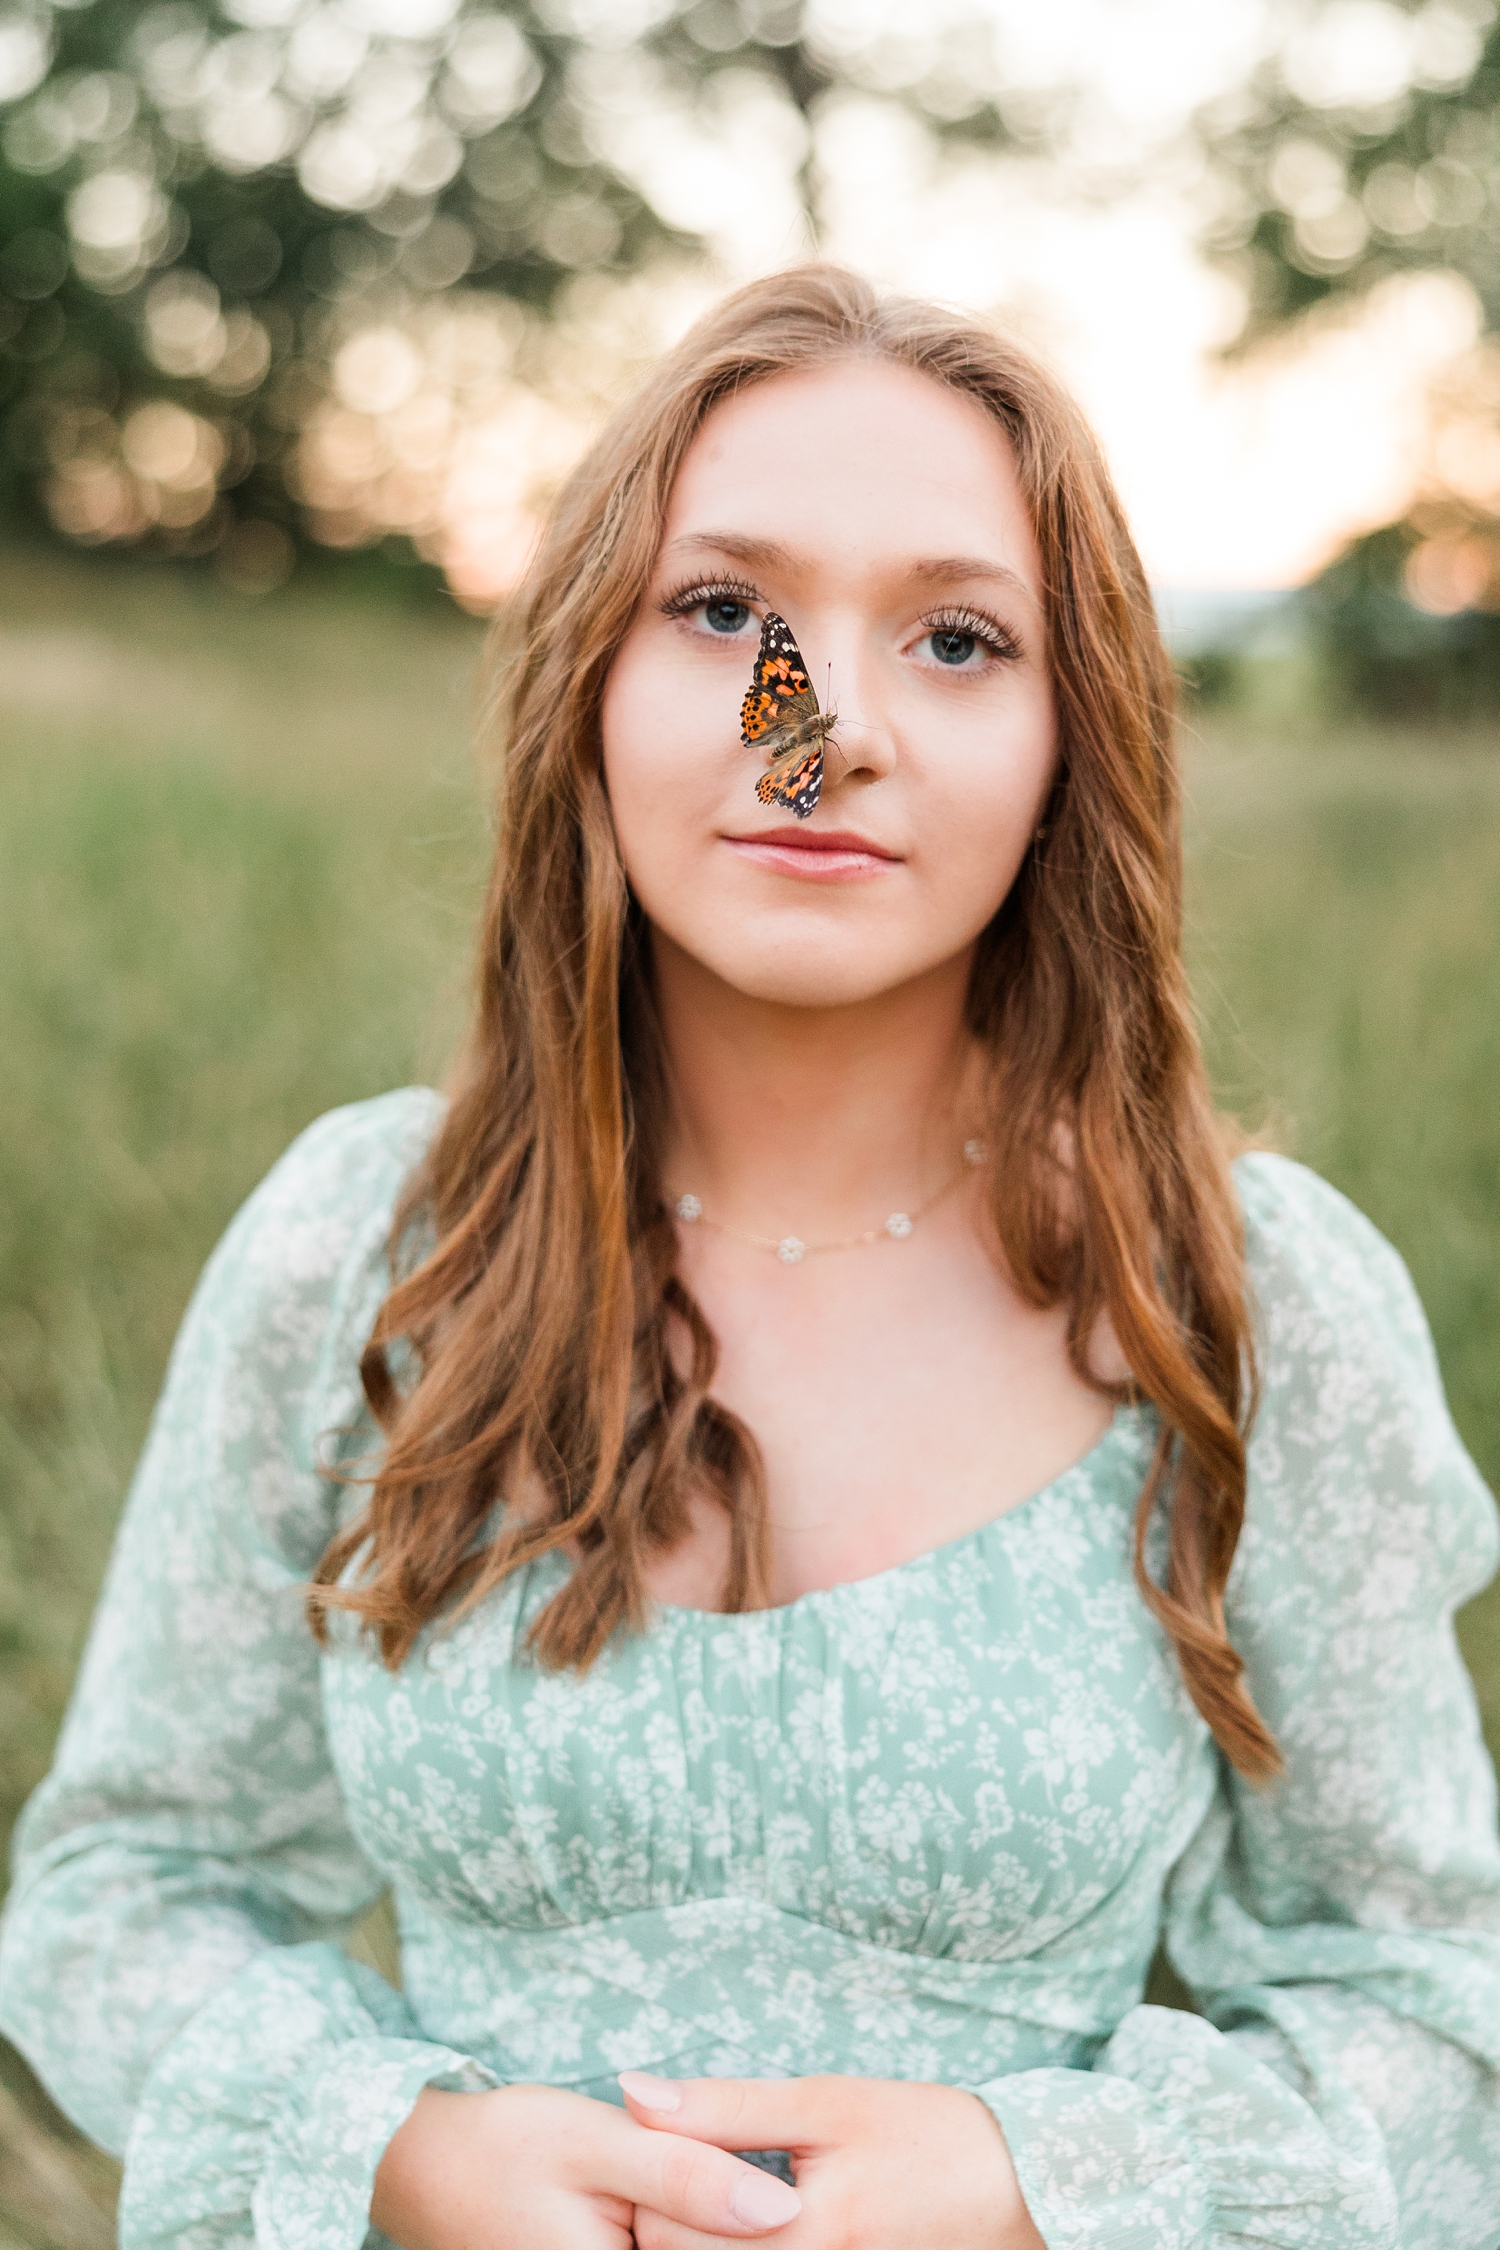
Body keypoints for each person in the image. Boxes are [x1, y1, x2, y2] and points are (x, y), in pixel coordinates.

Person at [2, 264, 1498, 2250]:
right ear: (589, 682)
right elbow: (124, 1887)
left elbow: (1428, 2001)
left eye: (959, 639)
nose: (826, 732)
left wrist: (1037, 2183)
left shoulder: (1246, 1299)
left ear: (1077, 739)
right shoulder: (368, 1249)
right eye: (729, 614)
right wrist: (409, 2148)